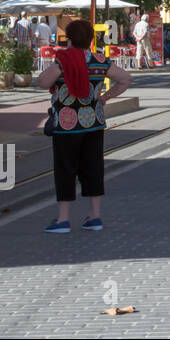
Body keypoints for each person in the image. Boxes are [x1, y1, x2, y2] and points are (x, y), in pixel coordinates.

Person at [34, 18, 132, 233]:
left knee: (65, 169)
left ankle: (63, 219)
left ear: (69, 39)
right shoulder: (100, 60)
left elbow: (42, 82)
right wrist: (105, 98)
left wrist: (61, 64)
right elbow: (125, 78)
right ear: (90, 40)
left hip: (66, 125)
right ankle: (95, 217)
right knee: (93, 168)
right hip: (94, 123)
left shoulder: (63, 61)